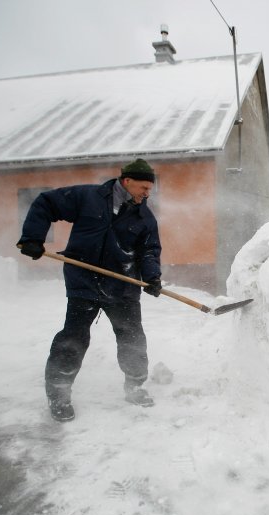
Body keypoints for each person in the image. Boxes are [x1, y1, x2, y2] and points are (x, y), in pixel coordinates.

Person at [17, 158, 163, 422]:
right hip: (84, 280)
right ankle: (59, 393)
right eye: (143, 187)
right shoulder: (88, 197)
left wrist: (152, 277)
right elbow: (46, 203)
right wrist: (32, 238)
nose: (147, 193)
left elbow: (150, 250)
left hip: (123, 284)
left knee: (132, 337)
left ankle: (135, 384)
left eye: (149, 189)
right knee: (73, 338)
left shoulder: (145, 217)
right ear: (127, 182)